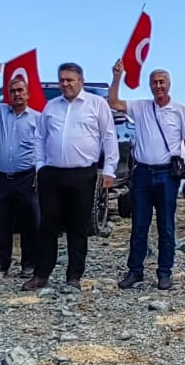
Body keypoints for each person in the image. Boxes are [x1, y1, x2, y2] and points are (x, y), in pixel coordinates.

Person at [30, 63, 119, 293]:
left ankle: (74, 276)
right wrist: (39, 167)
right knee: (47, 226)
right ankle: (42, 275)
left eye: (70, 80)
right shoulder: (51, 107)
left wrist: (109, 168)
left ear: (81, 80)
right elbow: (39, 138)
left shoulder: (96, 104)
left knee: (77, 226)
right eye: (62, 80)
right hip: (52, 173)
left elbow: (109, 137)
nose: (65, 84)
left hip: (82, 174)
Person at [111, 62, 185, 291]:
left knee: (166, 226)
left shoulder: (180, 111)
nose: (158, 86)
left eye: (162, 82)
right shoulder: (140, 107)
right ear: (150, 85)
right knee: (139, 225)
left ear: (169, 85)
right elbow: (114, 103)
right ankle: (135, 271)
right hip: (142, 174)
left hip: (167, 174)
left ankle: (164, 273)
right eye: (154, 82)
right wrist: (117, 76)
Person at [0, 68, 44, 280]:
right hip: (2, 178)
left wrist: (40, 172)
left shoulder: (37, 118)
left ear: (27, 94)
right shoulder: (1, 111)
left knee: (30, 222)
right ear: (8, 95)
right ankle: (1, 262)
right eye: (13, 91)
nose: (17, 94)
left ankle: (29, 264)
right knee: (0, 220)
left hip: (26, 177)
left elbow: (43, 146)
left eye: (21, 91)